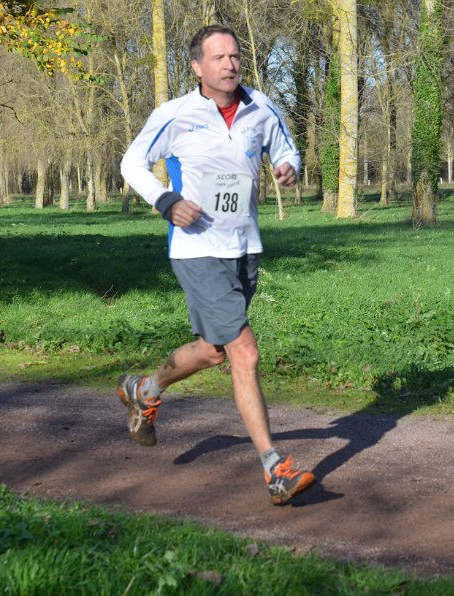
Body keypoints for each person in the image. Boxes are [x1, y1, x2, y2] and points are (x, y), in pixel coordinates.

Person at [118, 24, 315, 505]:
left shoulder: (260, 106)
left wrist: (289, 166)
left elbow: (286, 146)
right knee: (244, 352)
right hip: (196, 249)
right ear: (197, 66)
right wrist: (166, 201)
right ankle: (275, 469)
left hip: (244, 246)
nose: (230, 64)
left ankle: (146, 389)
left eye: (235, 56)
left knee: (213, 352)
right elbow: (131, 163)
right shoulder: (175, 114)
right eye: (219, 57)